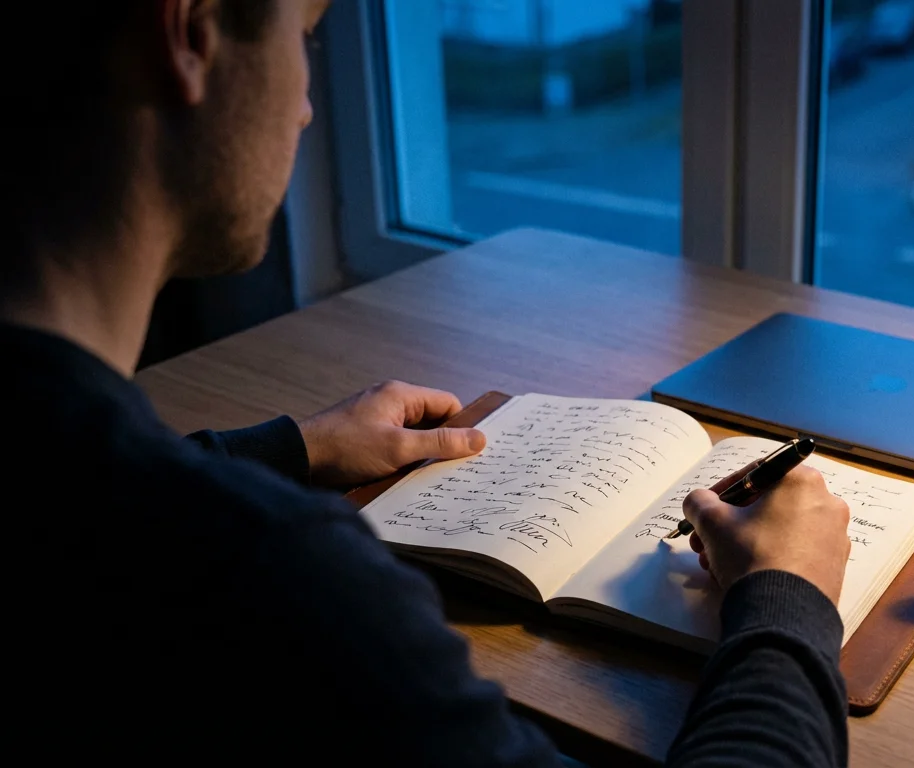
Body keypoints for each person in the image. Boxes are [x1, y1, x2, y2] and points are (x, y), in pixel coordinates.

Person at [2, 1, 853, 764]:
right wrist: (788, 597)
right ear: (190, 33)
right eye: (306, 37)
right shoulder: (284, 585)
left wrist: (288, 450)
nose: (305, 107)